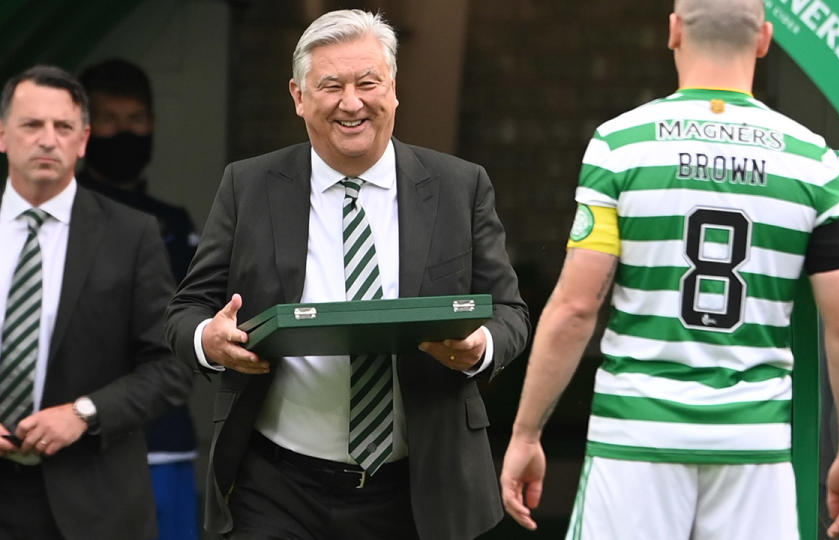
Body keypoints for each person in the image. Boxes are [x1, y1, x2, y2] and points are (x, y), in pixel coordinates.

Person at [499, 1, 839, 539]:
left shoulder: (621, 147)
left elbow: (577, 308)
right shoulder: (811, 161)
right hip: (754, 447)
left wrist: (525, 433)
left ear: (673, 32)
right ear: (765, 40)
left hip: (635, 439)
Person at [164, 9, 529, 540]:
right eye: (330, 85)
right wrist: (208, 339)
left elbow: (511, 313)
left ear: (394, 89)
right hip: (277, 484)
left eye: (368, 83)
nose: (351, 103)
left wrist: (481, 346)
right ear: (298, 96)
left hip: (419, 486)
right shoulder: (249, 185)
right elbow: (186, 311)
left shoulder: (459, 186)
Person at [0, 65, 192, 539]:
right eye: (31, 125)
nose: (47, 140)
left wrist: (84, 413)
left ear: (83, 140)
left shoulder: (132, 235)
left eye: (63, 127)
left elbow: (173, 366)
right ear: (2, 134)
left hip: (95, 502)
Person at [77, 58, 200, 540]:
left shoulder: (174, 223)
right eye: (109, 120)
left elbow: (190, 323)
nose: (125, 133)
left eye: (136, 120)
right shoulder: (57, 218)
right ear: (85, 129)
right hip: (82, 438)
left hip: (165, 438)